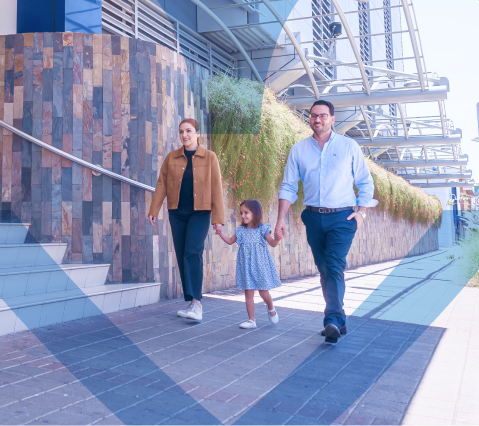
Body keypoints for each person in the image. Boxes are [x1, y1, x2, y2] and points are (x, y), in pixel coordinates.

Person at [275, 99, 377, 344]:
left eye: (322, 116)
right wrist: (280, 219)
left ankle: (330, 319)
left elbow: (365, 182)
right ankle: (339, 321)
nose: (317, 120)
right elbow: (289, 186)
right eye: (313, 116)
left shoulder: (348, 146)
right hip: (312, 217)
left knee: (333, 265)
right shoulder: (299, 150)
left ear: (332, 119)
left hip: (342, 217)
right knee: (324, 269)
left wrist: (361, 213)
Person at [148, 118, 224, 322]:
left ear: (197, 134)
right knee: (182, 254)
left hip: (200, 213)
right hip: (177, 213)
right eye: (181, 131)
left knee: (192, 252)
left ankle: (197, 304)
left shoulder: (209, 157)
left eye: (189, 131)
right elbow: (162, 183)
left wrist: (218, 219)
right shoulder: (172, 157)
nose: (185, 135)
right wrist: (154, 209)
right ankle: (191, 302)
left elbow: (217, 188)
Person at [216, 199, 282, 329]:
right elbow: (230, 241)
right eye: (241, 213)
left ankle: (271, 308)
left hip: (260, 266)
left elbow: (273, 244)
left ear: (255, 213)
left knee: (264, 293)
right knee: (248, 293)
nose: (243, 216)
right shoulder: (240, 231)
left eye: (246, 212)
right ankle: (252, 320)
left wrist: (278, 238)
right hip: (246, 266)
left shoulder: (263, 229)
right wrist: (220, 233)